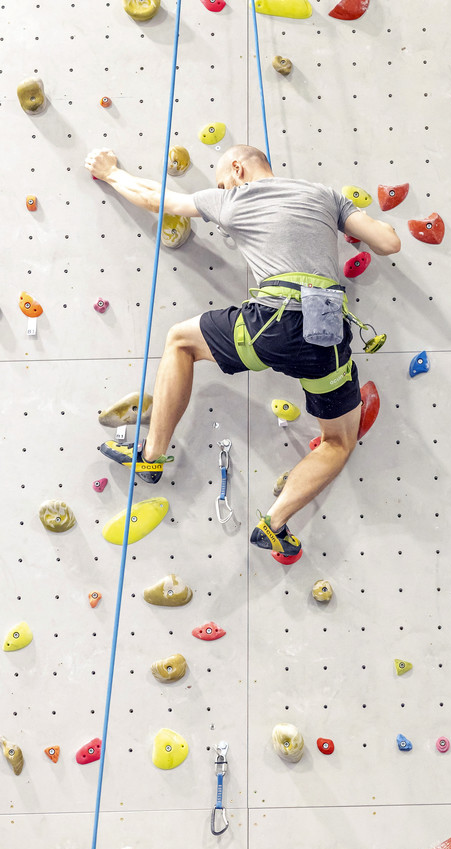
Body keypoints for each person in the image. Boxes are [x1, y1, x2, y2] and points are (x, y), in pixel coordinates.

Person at [84, 144, 401, 562]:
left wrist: (111, 172)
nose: (222, 189)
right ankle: (275, 523)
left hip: (270, 327)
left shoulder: (235, 198)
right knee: (338, 442)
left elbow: (155, 198)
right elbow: (389, 242)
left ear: (237, 169)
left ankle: (150, 456)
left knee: (180, 341)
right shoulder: (325, 195)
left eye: (222, 182)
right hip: (326, 336)